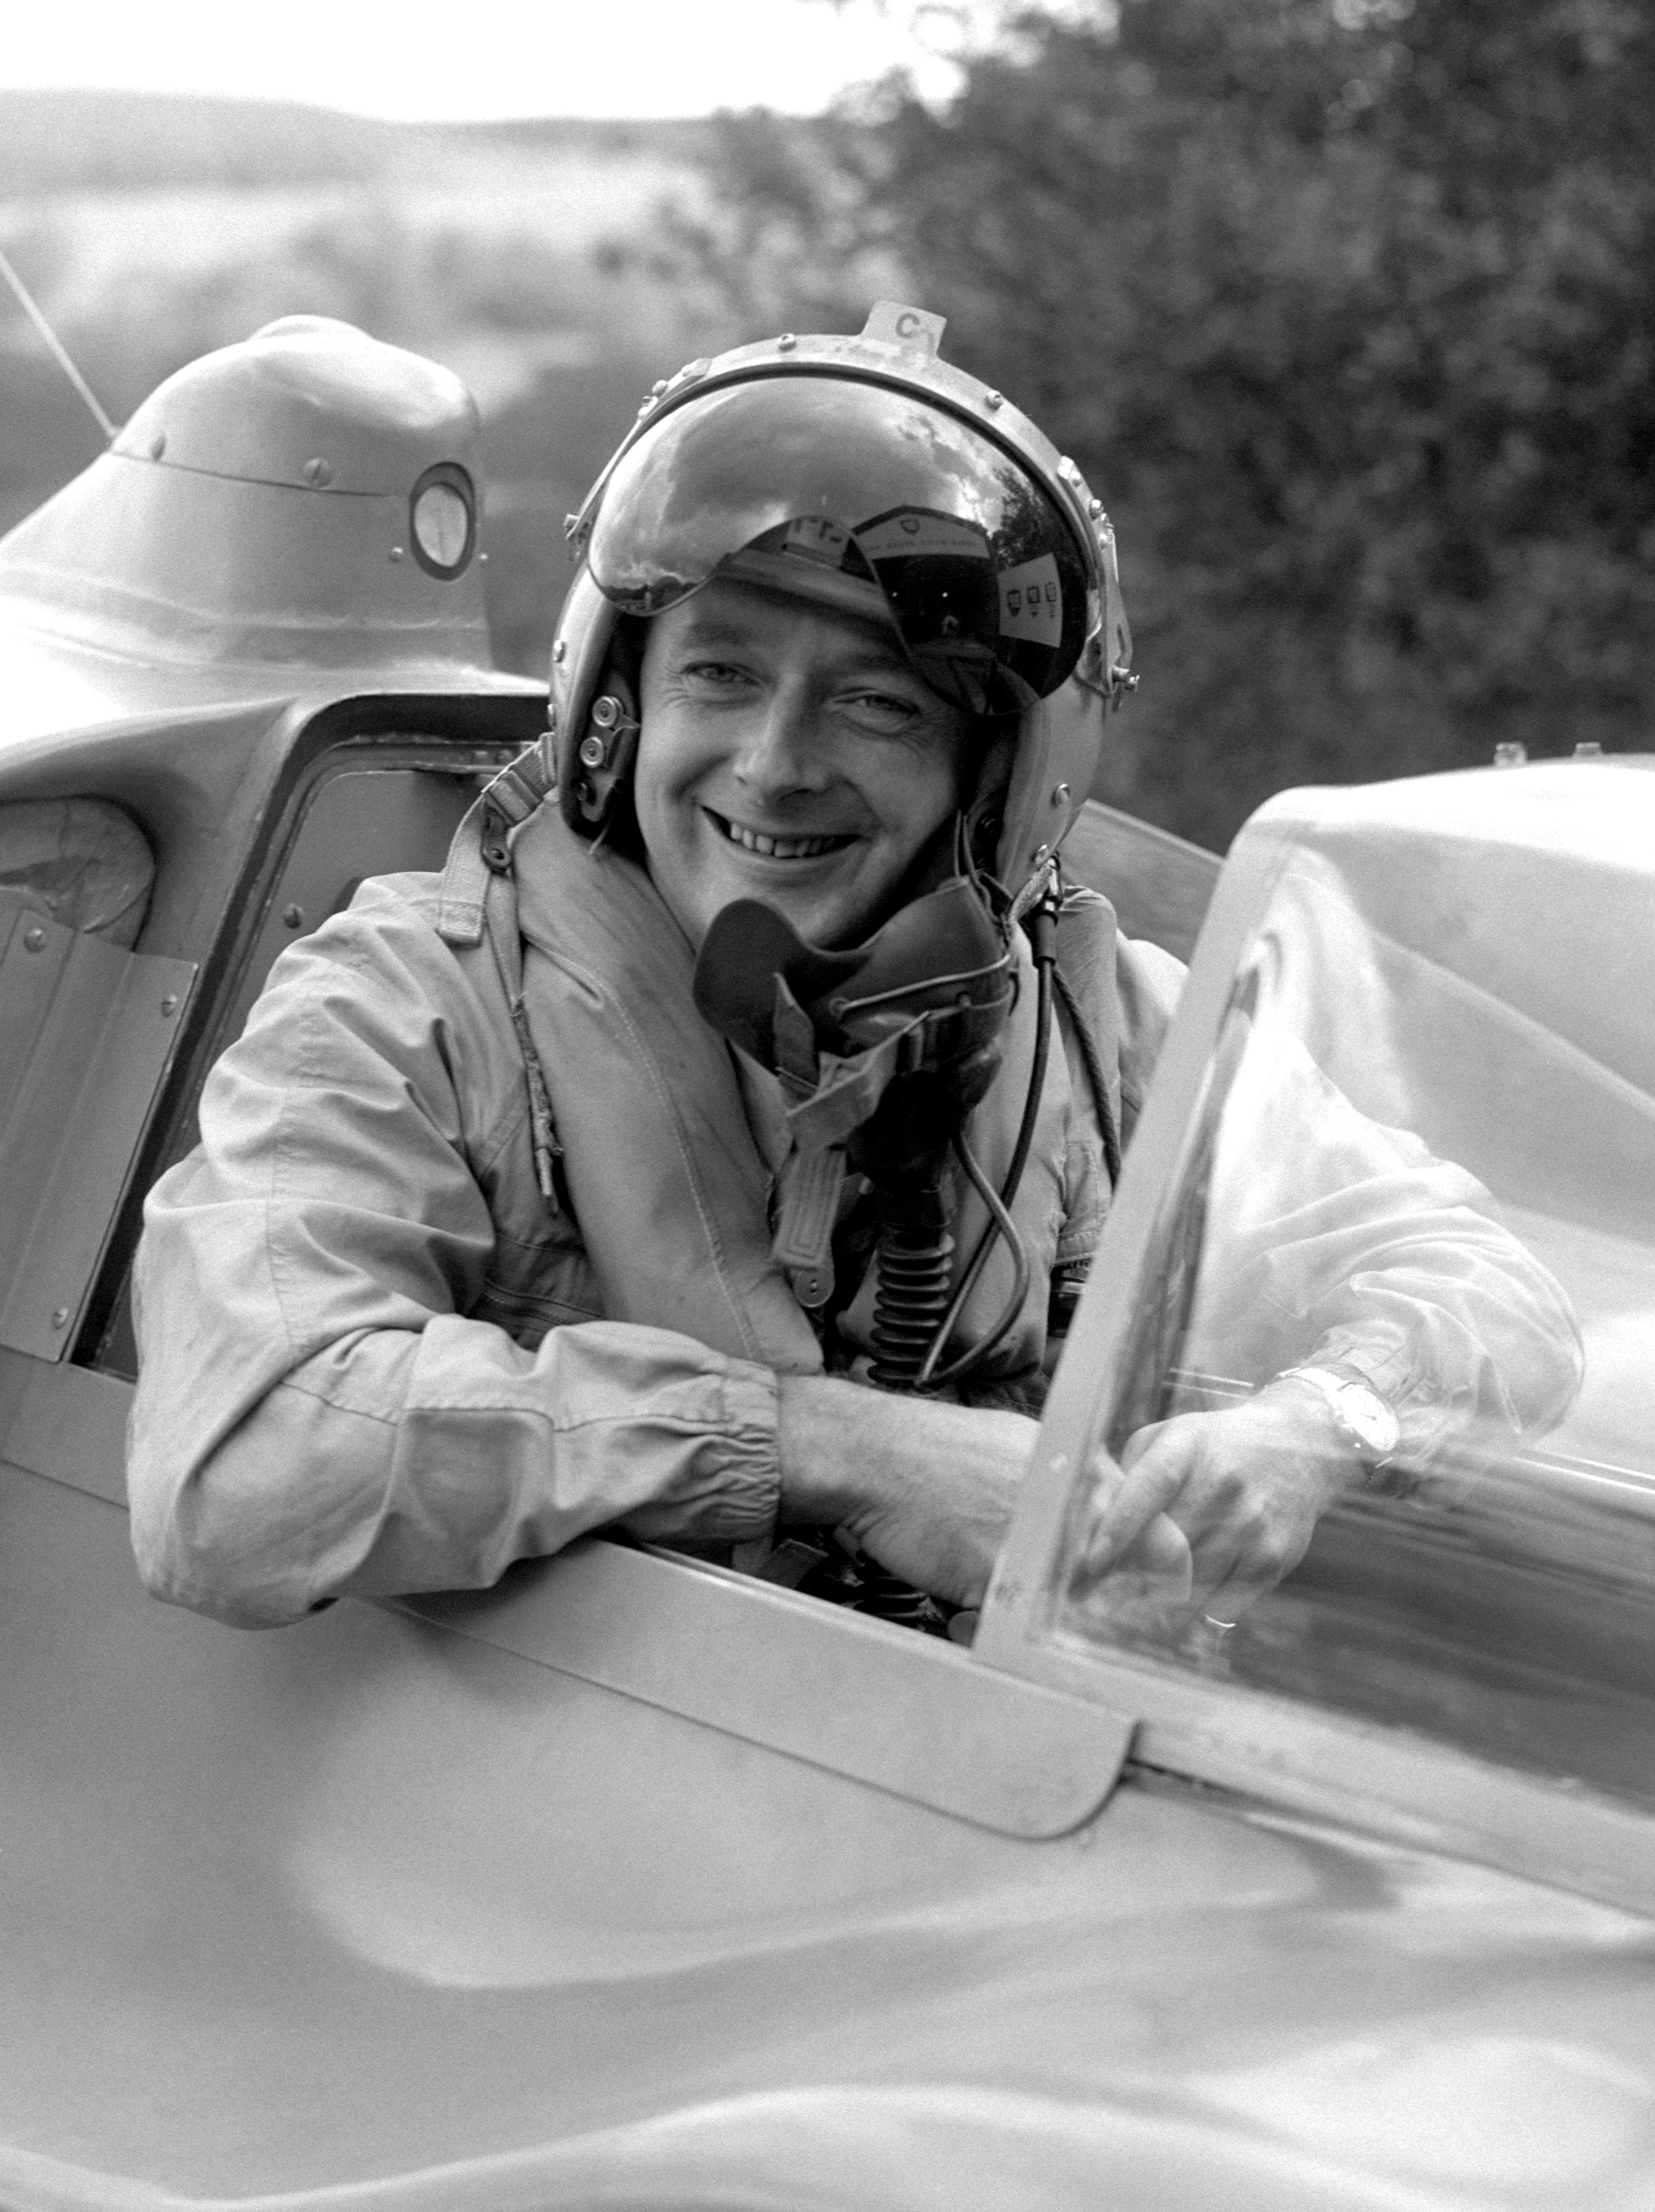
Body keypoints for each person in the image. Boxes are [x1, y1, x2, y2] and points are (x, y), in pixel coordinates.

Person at [126, 304, 1581, 1634]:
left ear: (994, 786)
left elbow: (1489, 1288)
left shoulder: (1090, 1018)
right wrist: (830, 1451)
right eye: (721, 673)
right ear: (615, 701)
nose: (774, 762)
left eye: (878, 704)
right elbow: (238, 1468)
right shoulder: (412, 1003)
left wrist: (1313, 1427)